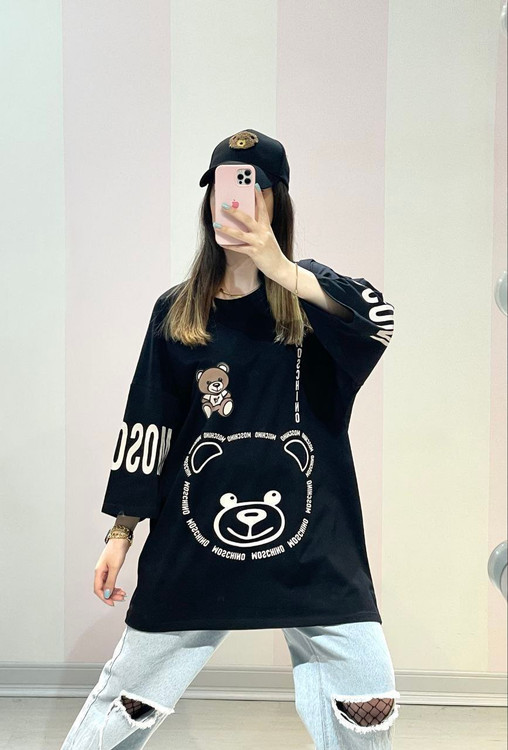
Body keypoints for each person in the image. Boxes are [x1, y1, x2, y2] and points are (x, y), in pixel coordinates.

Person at [61, 129, 399, 750]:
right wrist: (121, 531)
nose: (233, 201)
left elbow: (378, 322)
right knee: (126, 703)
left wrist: (282, 269)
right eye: (221, 186)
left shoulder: (311, 297)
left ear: (276, 200)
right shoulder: (177, 310)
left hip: (315, 548)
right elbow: (148, 423)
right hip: (195, 544)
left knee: (366, 703)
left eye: (250, 186)